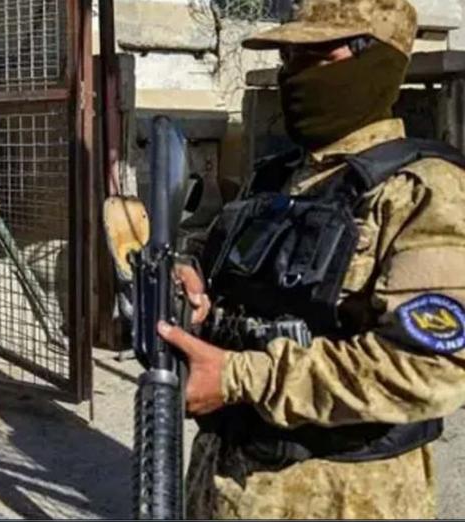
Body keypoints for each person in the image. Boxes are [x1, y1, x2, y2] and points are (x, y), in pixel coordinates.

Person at [156, 0, 465, 518]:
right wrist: (193, 285)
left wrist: (239, 377)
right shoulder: (276, 177)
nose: (294, 74)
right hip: (226, 484)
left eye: (316, 55)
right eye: (288, 57)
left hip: (345, 496)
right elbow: (220, 270)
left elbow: (429, 368)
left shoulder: (423, 192)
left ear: (378, 60)